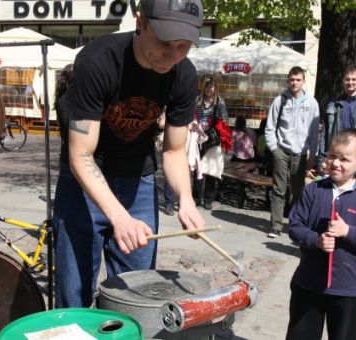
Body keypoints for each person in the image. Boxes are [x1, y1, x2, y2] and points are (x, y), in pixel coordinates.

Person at [52, 0, 205, 308]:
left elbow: (174, 151)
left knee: (137, 295)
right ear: (141, 22)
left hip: (139, 180)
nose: (172, 56)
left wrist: (186, 200)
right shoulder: (99, 62)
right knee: (74, 292)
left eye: (184, 46)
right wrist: (120, 217)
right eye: (165, 42)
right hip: (84, 181)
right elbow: (81, 155)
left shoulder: (184, 76)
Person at [287, 129, 356, 340]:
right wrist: (316, 240)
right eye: (332, 156)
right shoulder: (314, 190)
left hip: (350, 287)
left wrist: (348, 231)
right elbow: (295, 226)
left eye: (344, 159)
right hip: (309, 283)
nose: (335, 163)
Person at [265, 66, 320, 238]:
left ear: (303, 81)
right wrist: (274, 148)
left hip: (301, 153)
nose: (294, 83)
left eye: (298, 80)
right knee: (279, 189)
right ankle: (276, 225)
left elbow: (314, 131)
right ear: (288, 80)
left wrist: (313, 154)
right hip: (281, 150)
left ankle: (295, 223)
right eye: (291, 79)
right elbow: (270, 127)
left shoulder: (312, 103)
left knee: (298, 191)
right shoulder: (280, 101)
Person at [318, 65, 356, 169]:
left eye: (354, 79)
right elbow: (325, 135)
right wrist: (321, 159)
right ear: (343, 81)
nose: (350, 82)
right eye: (347, 79)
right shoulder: (332, 104)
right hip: (335, 157)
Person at [193, 75, 229, 211]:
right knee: (197, 168)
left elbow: (225, 120)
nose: (209, 88)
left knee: (210, 169)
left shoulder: (219, 102)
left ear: (215, 88)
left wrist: (216, 127)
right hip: (197, 137)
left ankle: (208, 199)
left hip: (212, 140)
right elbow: (192, 115)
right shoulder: (198, 100)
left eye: (212, 86)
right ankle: (196, 197)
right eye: (207, 85)